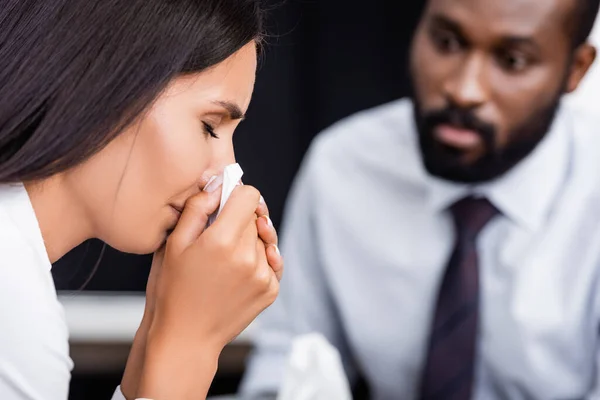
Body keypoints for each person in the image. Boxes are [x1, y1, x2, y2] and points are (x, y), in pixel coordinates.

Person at [240, 0, 600, 398]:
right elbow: (289, 365)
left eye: (512, 61)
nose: (463, 90)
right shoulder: (346, 165)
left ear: (576, 69)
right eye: (446, 42)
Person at [0, 1, 284, 400]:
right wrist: (191, 342)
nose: (225, 172)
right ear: (107, 82)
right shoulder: (13, 309)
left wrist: (163, 327)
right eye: (209, 126)